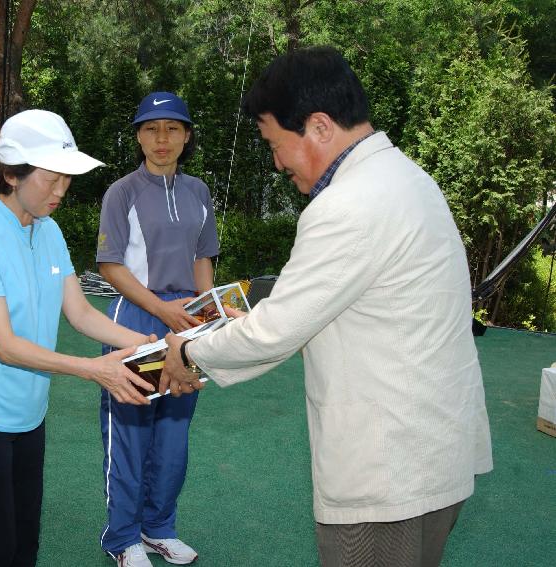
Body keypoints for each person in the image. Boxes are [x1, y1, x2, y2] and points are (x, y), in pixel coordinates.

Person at [160, 46, 493, 567]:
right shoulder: (409, 179)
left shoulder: (347, 205)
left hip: (386, 476)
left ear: (318, 126)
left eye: (274, 143)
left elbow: (277, 330)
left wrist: (188, 352)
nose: (275, 162)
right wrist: (251, 330)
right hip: (433, 454)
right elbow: (325, 312)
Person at [0, 109, 157, 567]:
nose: (61, 192)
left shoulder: (49, 230)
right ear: (12, 174)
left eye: (67, 180)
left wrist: (148, 343)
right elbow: (6, 345)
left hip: (28, 413)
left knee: (25, 544)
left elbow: (79, 312)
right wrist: (93, 369)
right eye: (52, 179)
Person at [95, 91, 219, 567]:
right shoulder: (122, 192)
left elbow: (202, 258)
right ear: (139, 137)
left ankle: (158, 527)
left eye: (171, 129)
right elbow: (110, 265)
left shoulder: (199, 192)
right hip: (137, 321)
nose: (161, 138)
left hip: (188, 324)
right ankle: (122, 537)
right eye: (150, 128)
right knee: (130, 433)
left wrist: (205, 318)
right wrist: (164, 313)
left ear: (186, 136)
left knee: (173, 434)